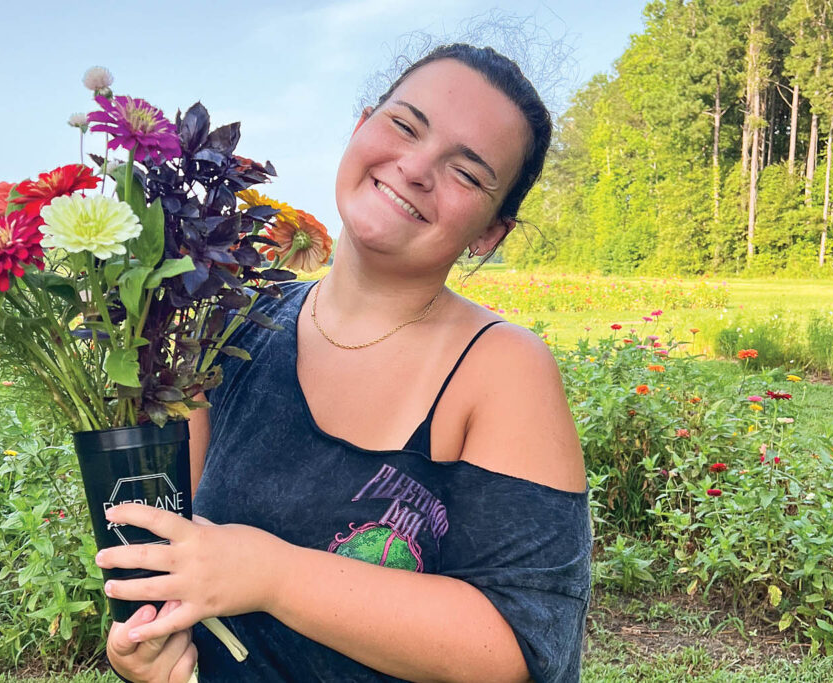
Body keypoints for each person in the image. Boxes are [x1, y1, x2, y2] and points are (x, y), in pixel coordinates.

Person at [95, 43, 591, 683]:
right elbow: (170, 546)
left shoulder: (501, 369)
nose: (415, 167)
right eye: (404, 126)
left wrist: (271, 575)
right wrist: (144, 648)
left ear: (489, 234)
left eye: (467, 173)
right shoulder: (233, 325)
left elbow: (524, 649)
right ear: (361, 128)